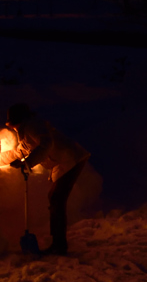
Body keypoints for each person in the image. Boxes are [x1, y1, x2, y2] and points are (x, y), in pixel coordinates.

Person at [6, 103, 90, 255]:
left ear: (18, 121)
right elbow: (21, 152)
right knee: (55, 198)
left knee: (57, 199)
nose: (12, 128)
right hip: (64, 162)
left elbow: (47, 144)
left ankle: (59, 245)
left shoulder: (32, 126)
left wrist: (28, 163)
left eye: (12, 124)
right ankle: (58, 243)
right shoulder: (26, 132)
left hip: (71, 159)